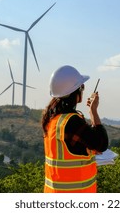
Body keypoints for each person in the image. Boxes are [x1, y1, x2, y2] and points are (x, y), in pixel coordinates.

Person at [41, 65, 108, 193]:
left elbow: (69, 150)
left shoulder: (52, 119)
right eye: (82, 87)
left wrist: (88, 149)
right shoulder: (72, 122)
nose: (83, 90)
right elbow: (102, 144)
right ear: (76, 91)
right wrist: (93, 111)